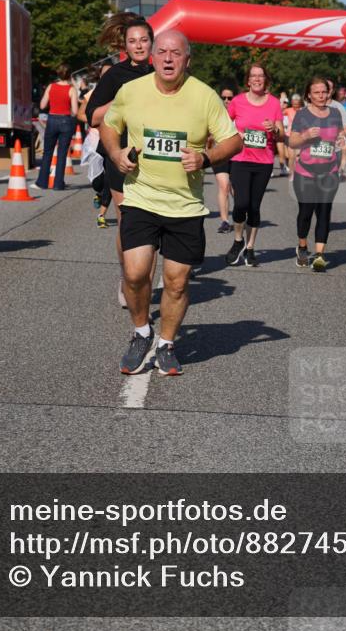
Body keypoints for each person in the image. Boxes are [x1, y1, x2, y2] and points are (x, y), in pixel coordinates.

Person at [100, 30, 242, 375]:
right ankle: (141, 332)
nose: (167, 58)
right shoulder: (132, 91)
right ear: (152, 57)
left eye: (175, 53)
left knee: (177, 282)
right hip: (141, 198)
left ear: (186, 60)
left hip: (185, 207)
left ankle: (166, 343)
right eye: (161, 51)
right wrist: (116, 152)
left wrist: (206, 158)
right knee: (135, 274)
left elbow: (234, 141)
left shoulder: (205, 96)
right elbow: (108, 123)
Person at [86, 13, 155, 308]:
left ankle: (145, 286)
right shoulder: (115, 75)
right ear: (124, 45)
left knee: (151, 223)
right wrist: (121, 100)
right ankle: (128, 278)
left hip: (155, 159)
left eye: (143, 41)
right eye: (132, 42)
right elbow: (90, 116)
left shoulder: (163, 72)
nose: (139, 46)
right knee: (128, 221)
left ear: (152, 43)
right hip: (120, 155)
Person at [224, 63, 283, 268]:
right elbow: (222, 124)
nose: (257, 79)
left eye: (261, 76)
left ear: (265, 79)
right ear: (248, 80)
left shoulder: (274, 104)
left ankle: (250, 248)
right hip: (240, 159)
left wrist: (275, 129)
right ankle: (238, 240)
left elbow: (282, 135)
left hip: (264, 161)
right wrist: (235, 134)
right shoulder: (238, 102)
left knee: (254, 207)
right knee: (241, 204)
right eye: (253, 76)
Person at [289, 76, 346, 272]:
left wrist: (341, 140)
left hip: (329, 171)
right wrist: (305, 136)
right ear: (309, 95)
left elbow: (339, 137)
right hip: (305, 171)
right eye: (317, 92)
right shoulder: (302, 115)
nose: (321, 95)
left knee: (324, 212)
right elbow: (293, 142)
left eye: (324, 92)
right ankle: (303, 246)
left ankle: (320, 255)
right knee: (306, 212)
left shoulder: (335, 114)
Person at [34, 64, 78, 191]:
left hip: (52, 119)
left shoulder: (51, 87)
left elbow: (42, 105)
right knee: (62, 154)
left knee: (47, 152)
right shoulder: (71, 89)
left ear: (58, 74)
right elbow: (75, 111)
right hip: (65, 120)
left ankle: (42, 182)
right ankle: (58, 184)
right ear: (69, 75)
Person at [79, 63, 112, 228]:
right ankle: (98, 193)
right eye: (104, 74)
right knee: (98, 182)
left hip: (113, 141)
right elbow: (80, 114)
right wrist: (96, 118)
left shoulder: (121, 94)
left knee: (110, 180)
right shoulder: (92, 94)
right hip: (94, 141)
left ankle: (102, 215)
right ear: (100, 76)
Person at [211, 87, 236, 233]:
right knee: (224, 186)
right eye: (224, 97)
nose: (227, 100)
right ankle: (225, 221)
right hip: (220, 155)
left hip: (238, 155)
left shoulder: (240, 112)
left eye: (230, 97)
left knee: (235, 190)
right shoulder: (215, 112)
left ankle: (240, 218)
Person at [284, 93, 302, 181]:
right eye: (294, 103)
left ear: (300, 103)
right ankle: (291, 173)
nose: (295, 105)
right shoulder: (288, 110)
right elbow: (278, 114)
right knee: (291, 156)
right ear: (291, 102)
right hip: (289, 135)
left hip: (300, 136)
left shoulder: (303, 111)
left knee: (298, 156)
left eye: (297, 103)